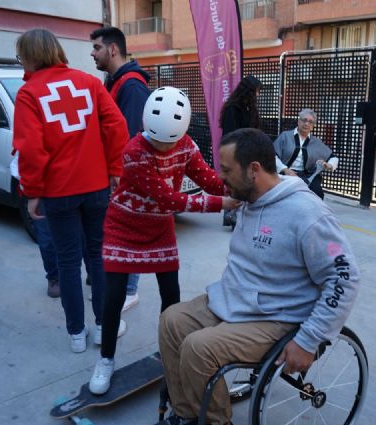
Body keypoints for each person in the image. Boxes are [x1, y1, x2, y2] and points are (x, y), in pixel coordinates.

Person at [156, 128, 360, 425]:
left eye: (226, 170)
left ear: (254, 170)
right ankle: (188, 412)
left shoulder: (307, 213)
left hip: (277, 317)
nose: (220, 178)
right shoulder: (249, 199)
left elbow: (344, 277)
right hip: (239, 301)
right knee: (172, 320)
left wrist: (308, 340)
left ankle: (214, 421)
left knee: (199, 348)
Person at [88, 86, 240, 395]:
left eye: (168, 142)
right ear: (146, 126)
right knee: (113, 298)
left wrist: (234, 189)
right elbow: (169, 198)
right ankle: (105, 360)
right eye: (156, 139)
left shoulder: (185, 145)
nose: (161, 147)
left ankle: (169, 354)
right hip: (124, 227)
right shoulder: (134, 152)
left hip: (159, 228)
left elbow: (205, 177)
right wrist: (219, 205)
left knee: (171, 297)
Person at [13, 28, 129, 353]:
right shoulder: (90, 83)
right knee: (98, 256)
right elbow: (116, 126)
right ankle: (104, 325)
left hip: (58, 192)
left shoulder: (28, 94)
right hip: (96, 188)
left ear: (29, 56)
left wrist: (32, 191)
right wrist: (115, 170)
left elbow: (31, 149)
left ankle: (76, 335)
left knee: (67, 262)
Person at [90, 26, 152, 312]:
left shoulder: (132, 85)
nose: (93, 53)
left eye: (97, 48)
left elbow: (130, 137)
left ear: (113, 49)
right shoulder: (114, 81)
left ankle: (130, 290)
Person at [219, 74, 262, 226]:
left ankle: (243, 214)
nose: (258, 94)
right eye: (257, 91)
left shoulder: (249, 108)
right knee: (236, 183)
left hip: (248, 151)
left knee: (247, 183)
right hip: (236, 153)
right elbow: (230, 135)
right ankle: (232, 216)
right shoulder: (233, 109)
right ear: (249, 91)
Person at [274, 109, 339, 200]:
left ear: (313, 126)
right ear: (298, 121)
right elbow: (273, 156)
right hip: (286, 173)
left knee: (317, 194)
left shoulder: (316, 142)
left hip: (307, 176)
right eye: (304, 120)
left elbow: (333, 157)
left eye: (310, 122)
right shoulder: (285, 136)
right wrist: (285, 169)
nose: (307, 124)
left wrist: (329, 165)